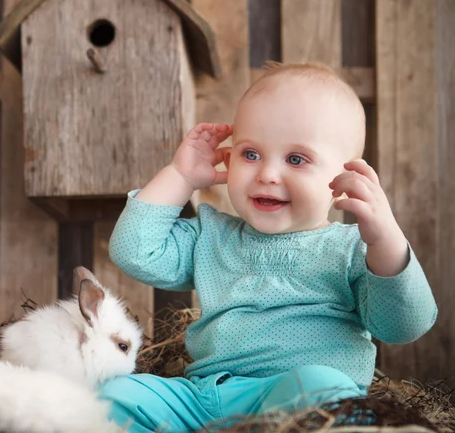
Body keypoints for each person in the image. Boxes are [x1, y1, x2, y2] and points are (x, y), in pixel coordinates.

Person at [98, 62, 437, 433]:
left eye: (296, 159)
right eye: (251, 154)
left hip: (297, 402)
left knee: (323, 387)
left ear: (345, 178)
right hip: (204, 399)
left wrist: (386, 239)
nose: (267, 174)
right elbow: (134, 251)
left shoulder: (353, 249)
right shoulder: (211, 236)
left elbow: (405, 324)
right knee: (116, 395)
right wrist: (180, 177)